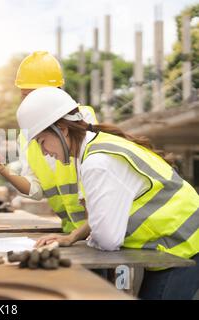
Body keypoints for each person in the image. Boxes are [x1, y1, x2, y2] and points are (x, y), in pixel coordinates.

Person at [16, 86, 199, 299]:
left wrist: (90, 237)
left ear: (62, 130)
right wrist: (74, 236)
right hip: (176, 245)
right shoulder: (97, 147)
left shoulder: (97, 163)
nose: (44, 151)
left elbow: (107, 239)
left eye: (42, 142)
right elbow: (103, 217)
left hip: (185, 245)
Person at [0, 51, 97, 245]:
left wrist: (87, 233)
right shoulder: (27, 135)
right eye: (24, 96)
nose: (27, 103)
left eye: (32, 96)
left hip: (96, 231)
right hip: (70, 235)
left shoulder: (82, 119)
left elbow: (91, 179)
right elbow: (35, 190)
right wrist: (3, 170)